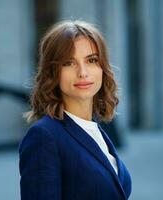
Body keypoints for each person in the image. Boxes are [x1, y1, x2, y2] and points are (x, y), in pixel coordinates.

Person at [19, 20, 132, 200]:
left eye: (92, 60)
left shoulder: (94, 129)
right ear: (52, 72)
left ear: (103, 67)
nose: (83, 72)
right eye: (68, 63)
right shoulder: (44, 136)